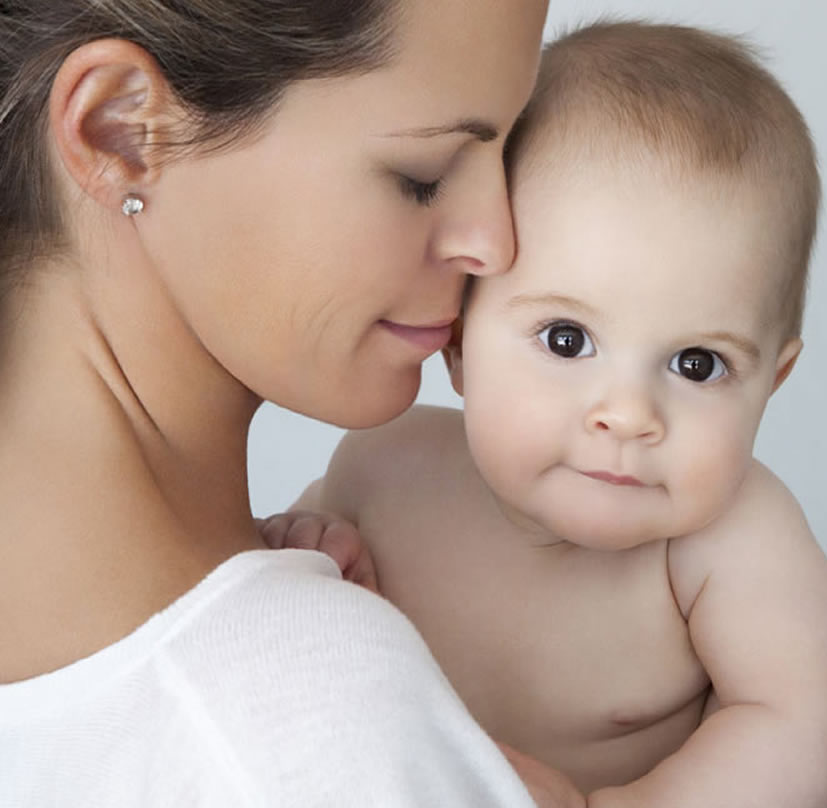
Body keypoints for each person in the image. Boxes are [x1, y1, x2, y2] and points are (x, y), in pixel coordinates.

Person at [0, 1, 580, 806]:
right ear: (120, 130)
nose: (496, 240)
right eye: (426, 175)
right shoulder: (302, 724)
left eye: (513, 156)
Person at [275, 20, 827, 807]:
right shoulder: (384, 467)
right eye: (566, 338)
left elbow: (802, 727)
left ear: (773, 380)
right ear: (457, 343)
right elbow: (290, 576)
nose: (626, 414)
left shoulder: (730, 541)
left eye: (697, 364)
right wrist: (308, 544)